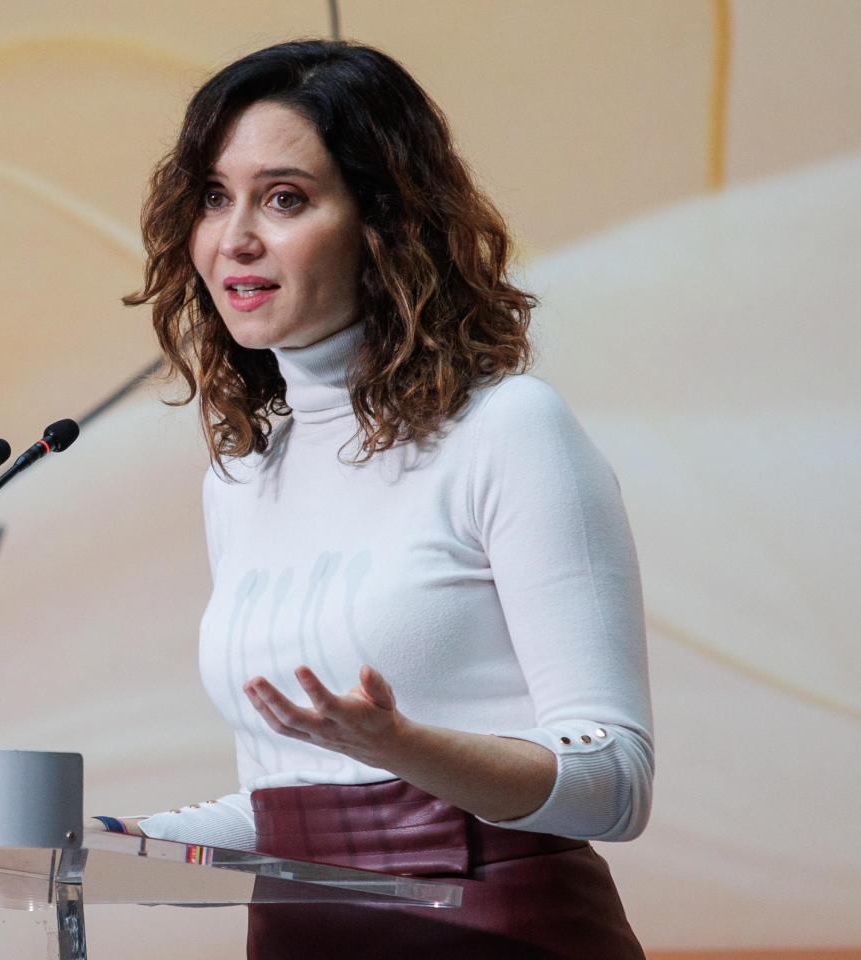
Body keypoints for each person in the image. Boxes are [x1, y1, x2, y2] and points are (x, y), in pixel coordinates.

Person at [109, 40, 652, 958]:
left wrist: (405, 745)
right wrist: (119, 846)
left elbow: (616, 784)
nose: (234, 237)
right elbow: (297, 798)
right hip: (300, 934)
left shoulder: (509, 429)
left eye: (283, 199)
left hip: (498, 932)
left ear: (383, 223)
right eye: (212, 196)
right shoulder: (242, 479)